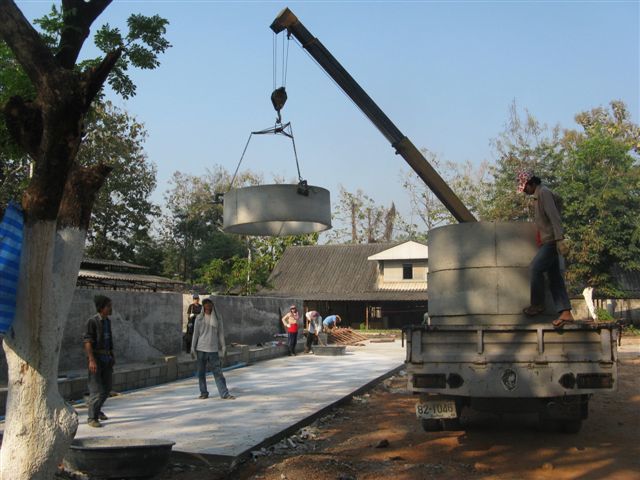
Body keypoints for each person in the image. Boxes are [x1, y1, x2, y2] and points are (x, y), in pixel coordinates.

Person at [518, 171, 574, 328]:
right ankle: (566, 312)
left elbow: (554, 216)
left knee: (535, 268)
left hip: (551, 241)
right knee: (555, 277)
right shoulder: (538, 196)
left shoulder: (544, 193)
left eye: (525, 188)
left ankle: (537, 304)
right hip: (547, 240)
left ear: (532, 183)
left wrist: (559, 238)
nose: (525, 191)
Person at [191, 298, 235, 399]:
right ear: (203, 306)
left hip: (213, 350)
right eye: (205, 304)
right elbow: (195, 334)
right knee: (201, 373)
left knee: (218, 373)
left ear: (212, 305)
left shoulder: (217, 318)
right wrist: (192, 347)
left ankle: (224, 393)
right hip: (201, 348)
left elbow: (220, 333)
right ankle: (203, 393)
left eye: (209, 304)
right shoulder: (199, 318)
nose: (208, 306)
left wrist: (223, 346)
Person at [83, 295, 115, 428]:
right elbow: (87, 341)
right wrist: (91, 360)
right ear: (101, 308)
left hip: (107, 359)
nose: (110, 308)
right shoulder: (92, 321)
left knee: (107, 388)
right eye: (108, 306)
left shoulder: (107, 321)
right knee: (96, 390)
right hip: (96, 359)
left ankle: (97, 409)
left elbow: (109, 341)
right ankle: (92, 418)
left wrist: (112, 356)